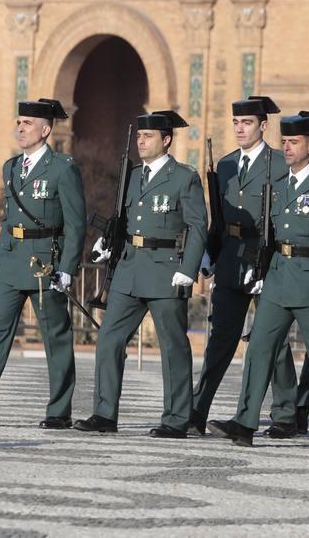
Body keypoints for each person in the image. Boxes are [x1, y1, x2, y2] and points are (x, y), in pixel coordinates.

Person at [208, 111, 309, 449]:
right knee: (259, 349)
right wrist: (257, 269)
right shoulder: (277, 187)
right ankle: (244, 423)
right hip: (278, 279)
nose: (287, 148)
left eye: (293, 143)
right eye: (285, 142)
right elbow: (268, 236)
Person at [0, 98, 85, 428]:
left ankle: (59, 411)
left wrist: (67, 268)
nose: (20, 128)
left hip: (44, 264)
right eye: (18, 122)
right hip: (11, 261)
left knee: (56, 338)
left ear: (46, 130)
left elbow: (76, 224)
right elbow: (7, 219)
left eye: (27, 123)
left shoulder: (63, 168)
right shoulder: (10, 167)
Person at [75, 110, 206, 437]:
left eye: (148, 137)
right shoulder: (131, 175)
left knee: (173, 346)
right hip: (130, 269)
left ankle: (176, 419)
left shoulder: (184, 177)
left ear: (166, 139)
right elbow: (123, 218)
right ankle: (104, 414)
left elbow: (198, 227)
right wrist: (108, 242)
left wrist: (188, 269)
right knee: (108, 339)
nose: (141, 141)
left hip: (166, 270)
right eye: (139, 136)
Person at [190, 95, 301, 437]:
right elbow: (219, 220)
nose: (240, 129)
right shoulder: (224, 165)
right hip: (231, 259)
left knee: (272, 340)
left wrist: (274, 262)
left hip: (267, 260)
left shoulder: (280, 165)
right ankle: (198, 408)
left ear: (263, 126)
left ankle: (285, 414)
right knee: (221, 336)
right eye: (236, 123)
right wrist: (209, 252)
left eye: (247, 123)